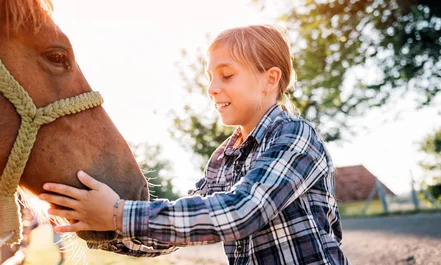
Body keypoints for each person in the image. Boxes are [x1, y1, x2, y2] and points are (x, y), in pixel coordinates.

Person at [39, 24, 350, 265]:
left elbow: (242, 211)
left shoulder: (294, 136)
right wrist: (97, 223)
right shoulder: (223, 157)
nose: (213, 88)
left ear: (270, 79)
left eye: (227, 75)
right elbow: (172, 235)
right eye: (210, 77)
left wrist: (118, 213)